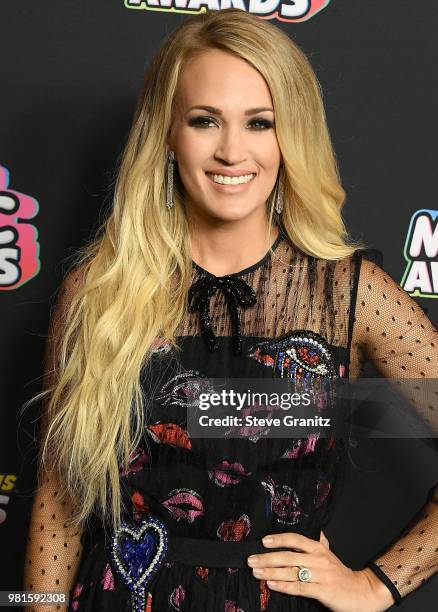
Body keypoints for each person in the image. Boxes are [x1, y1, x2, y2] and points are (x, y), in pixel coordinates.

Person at [22, 8, 438, 612]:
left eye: (260, 123)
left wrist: (377, 585)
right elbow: (57, 502)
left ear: (291, 134)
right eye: (204, 120)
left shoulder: (349, 293)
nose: (231, 151)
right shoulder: (99, 290)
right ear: (167, 131)